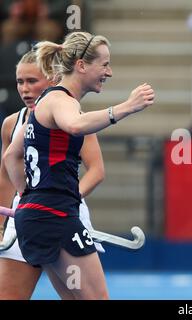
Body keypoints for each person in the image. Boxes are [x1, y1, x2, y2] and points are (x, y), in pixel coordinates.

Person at [2, 31, 155, 299]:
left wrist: (27, 196)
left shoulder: (44, 104)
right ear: (82, 66)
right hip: (55, 217)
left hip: (37, 217)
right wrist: (125, 108)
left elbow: (11, 156)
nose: (109, 72)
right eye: (104, 64)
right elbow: (74, 125)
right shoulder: (61, 101)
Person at [0, 50, 107, 299]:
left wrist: (65, 198)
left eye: (32, 81)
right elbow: (6, 174)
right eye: (20, 82)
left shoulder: (76, 120)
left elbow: (97, 170)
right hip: (26, 215)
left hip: (63, 211)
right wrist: (3, 224)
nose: (25, 89)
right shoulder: (11, 124)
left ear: (51, 80)